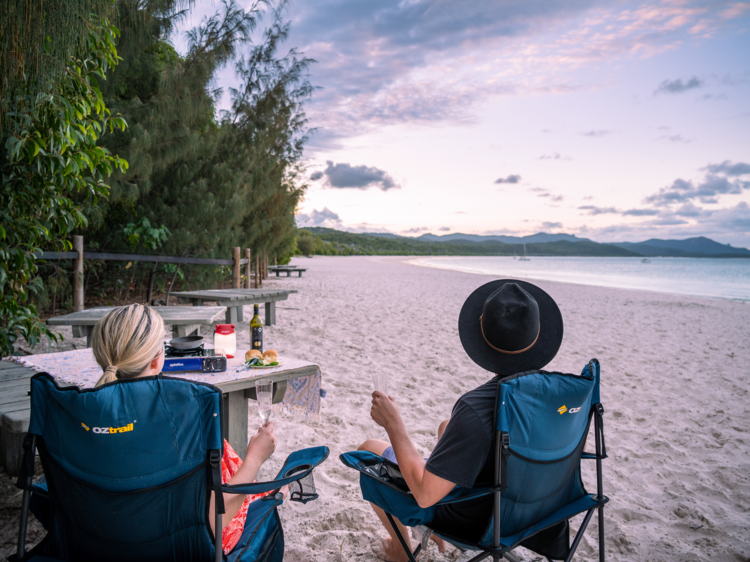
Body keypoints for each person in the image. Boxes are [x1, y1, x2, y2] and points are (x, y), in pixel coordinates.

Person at [359, 280, 564, 562]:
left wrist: (394, 426)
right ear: (537, 337)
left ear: (481, 338)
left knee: (369, 449)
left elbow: (424, 495)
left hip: (478, 522)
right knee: (447, 425)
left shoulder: (477, 409)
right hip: (542, 513)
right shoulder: (559, 398)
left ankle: (400, 551)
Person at [91, 303, 279, 554]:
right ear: (159, 360)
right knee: (220, 451)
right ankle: (265, 490)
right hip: (175, 544)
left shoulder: (78, 418)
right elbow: (212, 521)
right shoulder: (181, 425)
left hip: (98, 540)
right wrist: (254, 458)